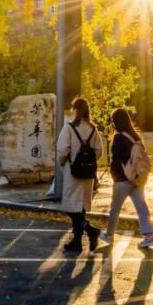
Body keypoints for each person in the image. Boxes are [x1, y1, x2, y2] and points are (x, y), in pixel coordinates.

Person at [100, 108, 153, 249]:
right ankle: (148, 236)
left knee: (115, 209)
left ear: (116, 122)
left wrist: (114, 175)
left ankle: (109, 235)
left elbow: (116, 160)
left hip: (122, 180)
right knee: (141, 207)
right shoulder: (135, 137)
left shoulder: (118, 138)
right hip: (137, 179)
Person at [56, 97, 104, 252]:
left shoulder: (69, 127)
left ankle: (90, 230)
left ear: (75, 109)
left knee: (70, 206)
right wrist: (88, 161)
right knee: (80, 206)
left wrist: (63, 161)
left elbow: (63, 150)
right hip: (88, 172)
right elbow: (99, 151)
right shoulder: (93, 129)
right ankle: (77, 242)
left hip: (73, 171)